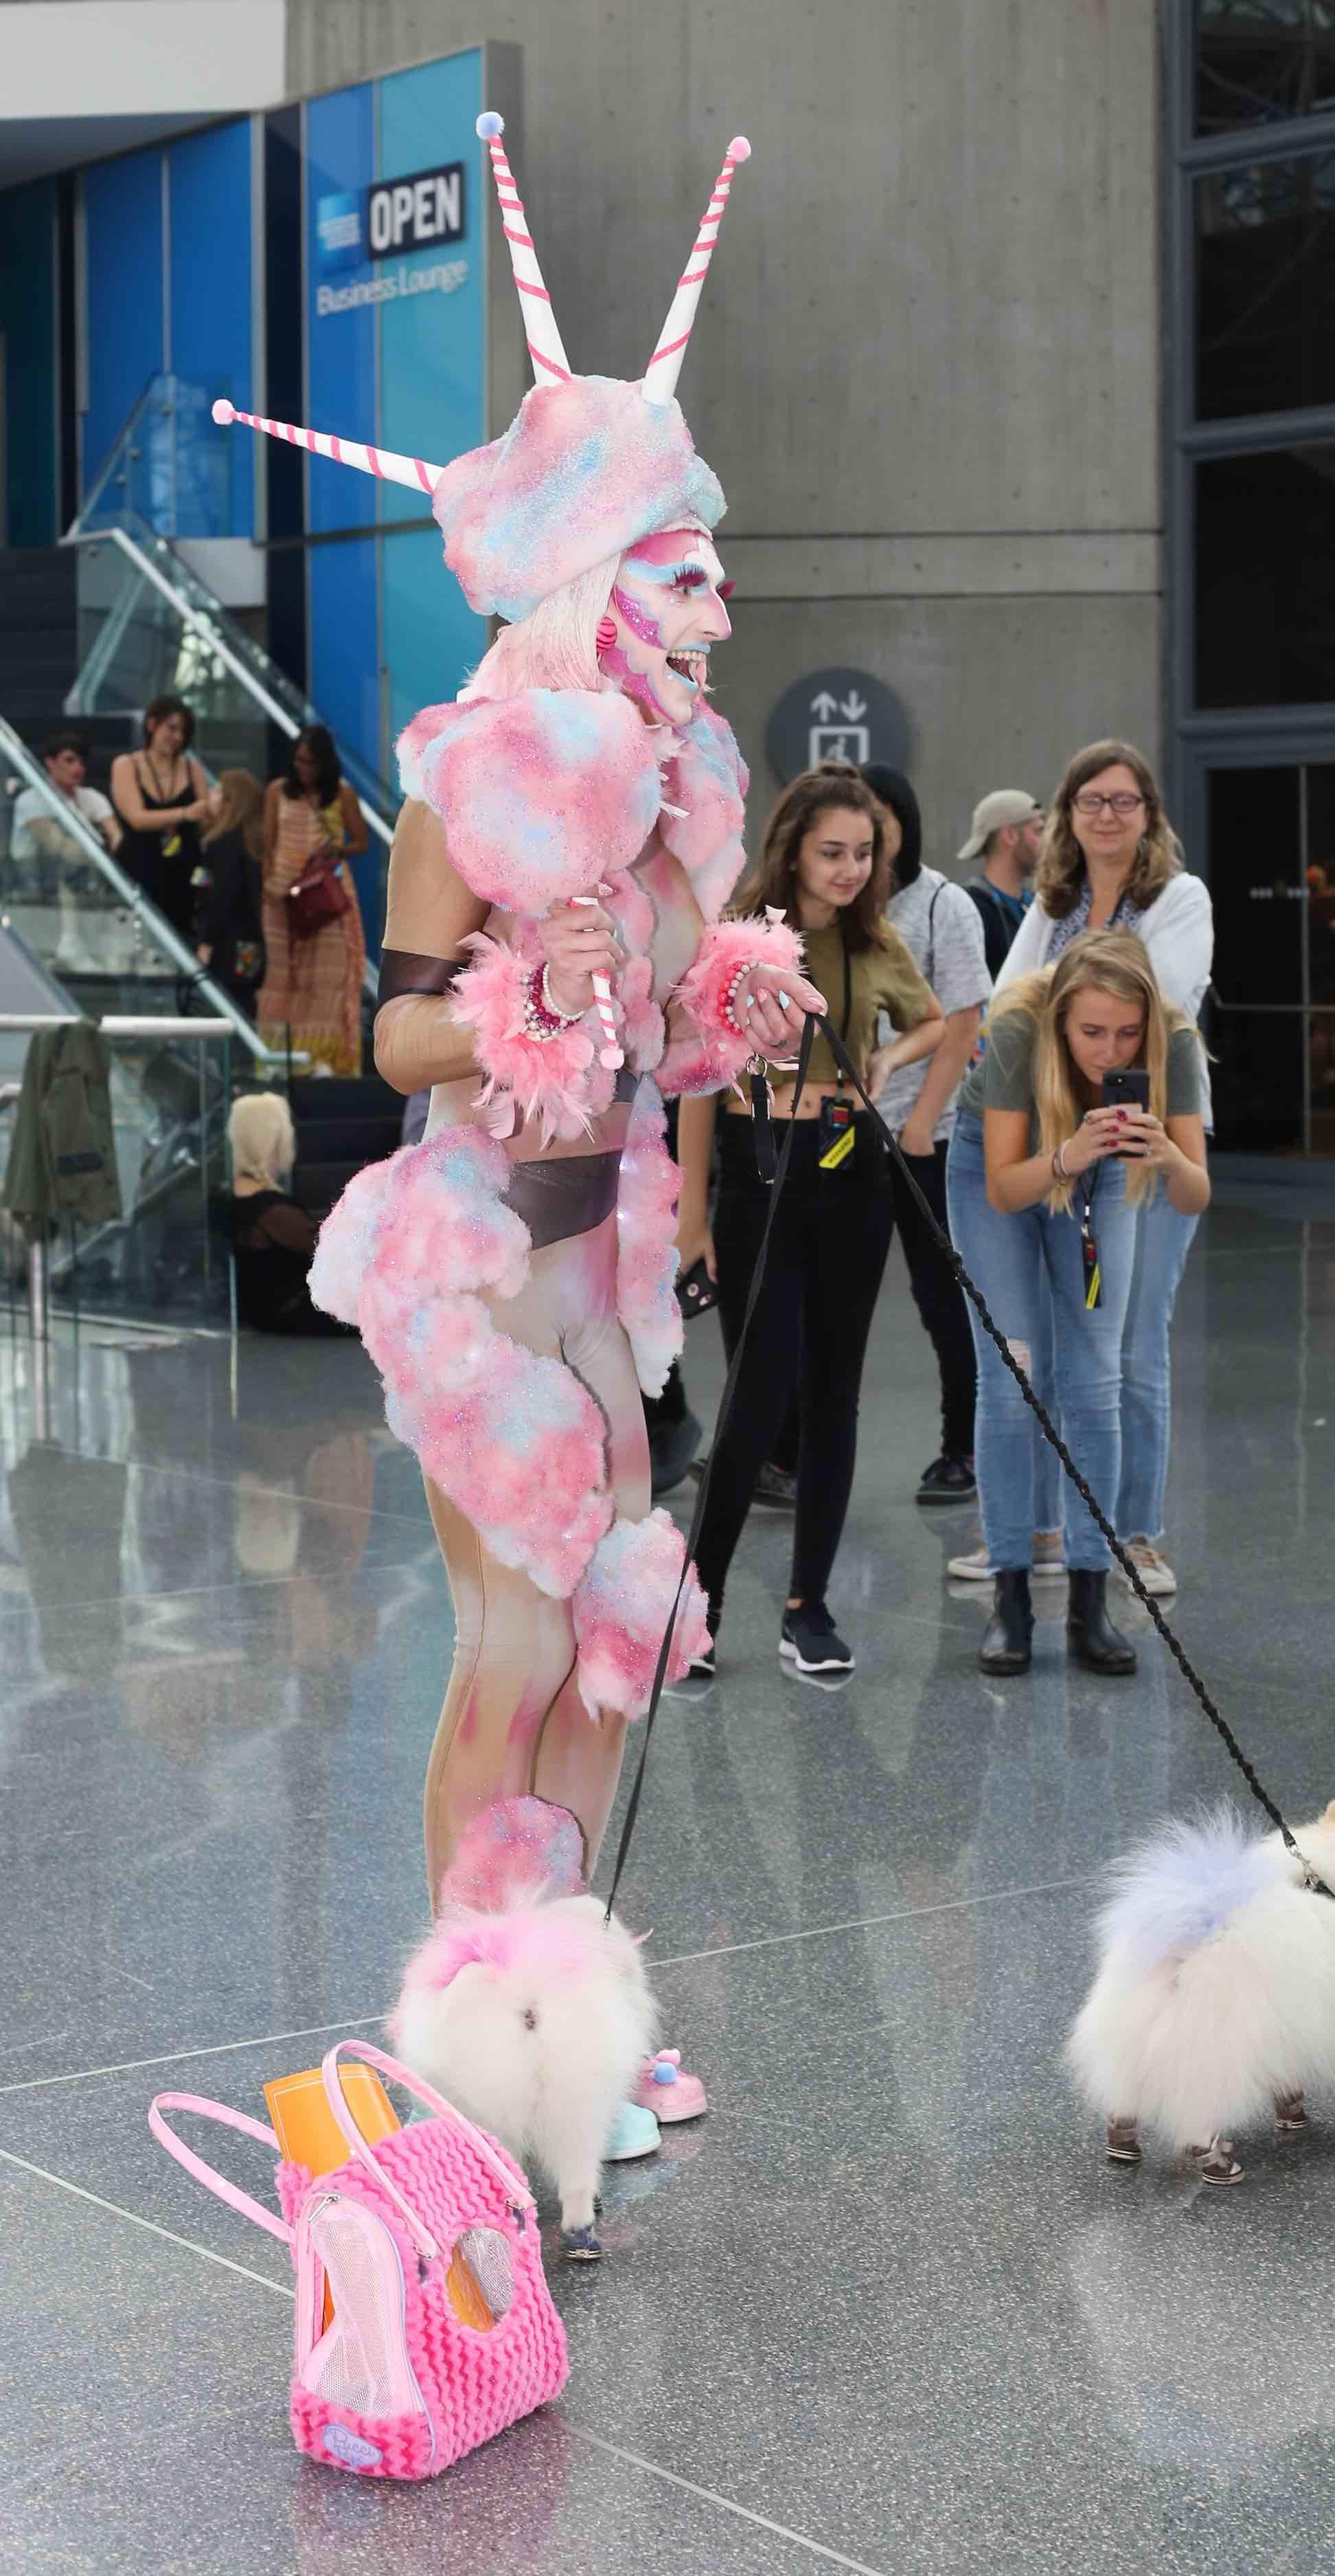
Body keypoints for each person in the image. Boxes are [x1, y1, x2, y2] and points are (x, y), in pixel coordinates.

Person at [214, 122, 823, 1924]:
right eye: (682, 570)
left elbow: (680, 1043)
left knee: (611, 1646)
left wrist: (726, 1000)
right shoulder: (474, 791)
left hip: (601, 1273)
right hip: (476, 1271)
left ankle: (572, 1989)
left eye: (715, 566)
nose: (718, 602)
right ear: (590, 585)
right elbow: (392, 1050)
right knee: (506, 1642)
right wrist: (510, 1002)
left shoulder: (665, 815)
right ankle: (476, 2013)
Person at [675, 764, 944, 1677]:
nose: (849, 869)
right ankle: (695, 1608)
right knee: (757, 1395)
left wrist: (886, 1071)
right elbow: (701, 1081)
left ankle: (808, 1605)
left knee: (836, 1391)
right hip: (761, 1174)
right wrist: (689, 1218)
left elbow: (944, 1025)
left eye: (864, 854)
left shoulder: (875, 942)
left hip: (852, 1173)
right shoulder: (741, 946)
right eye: (832, 851)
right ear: (791, 848)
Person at [948, 931, 1209, 1676]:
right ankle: (1012, 1597)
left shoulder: (1174, 1045)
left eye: (1127, 1033)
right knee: (1013, 1377)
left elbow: (1196, 1196)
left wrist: (1169, 1157)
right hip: (1002, 1172)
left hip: (1101, 1182)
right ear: (1061, 1019)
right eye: (1092, 1032)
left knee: (1096, 1380)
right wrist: (1068, 1153)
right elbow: (1003, 1187)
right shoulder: (1016, 1032)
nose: (1110, 1050)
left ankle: (1091, 1599)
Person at [990, 740, 1212, 1597]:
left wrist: (1066, 1002)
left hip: (1149, 1140)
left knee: (1132, 1345)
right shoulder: (1053, 905)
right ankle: (1050, 1527)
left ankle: (1137, 1535)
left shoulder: (1180, 898)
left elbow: (1165, 998)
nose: (1107, 815)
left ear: (1148, 816)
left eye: (1124, 801)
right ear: (1066, 816)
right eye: (1090, 801)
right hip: (1057, 1139)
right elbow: (1010, 1005)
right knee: (1058, 1346)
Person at [864, 760, 990, 1502]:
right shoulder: (833, 902)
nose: (867, 834)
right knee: (824, 1301)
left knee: (943, 1299)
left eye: (881, 816)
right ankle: (788, 1452)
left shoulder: (944, 903)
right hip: (839, 1133)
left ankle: (962, 1448)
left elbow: (964, 1021)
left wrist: (917, 1126)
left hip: (927, 1135)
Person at [257, 725, 370, 1076]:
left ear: (325, 763)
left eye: (311, 763)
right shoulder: (277, 791)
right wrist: (267, 888)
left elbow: (362, 842)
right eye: (299, 761)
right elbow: (267, 845)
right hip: (280, 898)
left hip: (327, 899)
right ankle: (279, 1060)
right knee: (282, 977)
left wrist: (338, 849)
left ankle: (327, 1060)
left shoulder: (342, 794)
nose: (304, 769)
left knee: (329, 977)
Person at [217, 1092, 354, 1336]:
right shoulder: (270, 1209)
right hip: (289, 1314)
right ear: (274, 1139)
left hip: (272, 1314)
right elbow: (327, 1249)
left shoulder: (234, 1195)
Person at [10, 727, 120, 971]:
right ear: (50, 763)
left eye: (81, 761)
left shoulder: (91, 797)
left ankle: (104, 945)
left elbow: (117, 838)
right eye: (69, 760)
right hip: (35, 880)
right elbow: (59, 846)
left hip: (86, 877)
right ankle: (70, 942)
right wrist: (103, 856)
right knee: (68, 862)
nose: (77, 768)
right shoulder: (31, 800)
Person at [109, 696, 216, 945]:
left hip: (186, 871)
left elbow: (204, 823)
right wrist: (185, 814)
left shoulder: (193, 768)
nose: (177, 736)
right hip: (141, 866)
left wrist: (216, 810)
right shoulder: (126, 765)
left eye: (183, 731)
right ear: (152, 724)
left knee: (187, 938)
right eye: (171, 728)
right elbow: (136, 818)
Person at [192, 768, 266, 1018]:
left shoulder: (223, 844)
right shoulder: (254, 844)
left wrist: (206, 941)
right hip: (251, 945)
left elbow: (220, 897)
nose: (210, 796)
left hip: (226, 945)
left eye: (216, 791)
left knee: (225, 1009)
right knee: (245, 1003)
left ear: (230, 802)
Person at [961, 788, 1044, 980]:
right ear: (1010, 835)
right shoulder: (971, 909)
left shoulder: (1039, 905)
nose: (1047, 841)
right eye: (1039, 831)